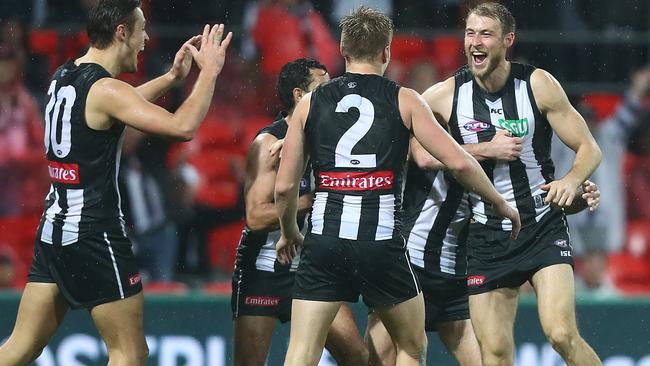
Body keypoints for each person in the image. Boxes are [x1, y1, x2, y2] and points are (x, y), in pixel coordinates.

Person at [274, 7, 520, 366]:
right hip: (381, 245)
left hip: (325, 242)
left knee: (301, 352)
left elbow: (284, 188)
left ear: (342, 51)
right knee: (411, 345)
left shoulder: (310, 103)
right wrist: (499, 201)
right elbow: (458, 161)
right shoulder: (404, 99)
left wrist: (289, 231)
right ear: (387, 53)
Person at [0, 0, 232, 364]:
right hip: (96, 234)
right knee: (130, 353)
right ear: (121, 32)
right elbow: (182, 127)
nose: (146, 40)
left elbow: (116, 107)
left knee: (20, 348)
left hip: (54, 233)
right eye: (141, 31)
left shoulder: (65, 75)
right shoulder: (107, 90)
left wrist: (171, 78)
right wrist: (211, 73)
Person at [421, 3, 603, 365]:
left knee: (562, 334)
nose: (475, 41)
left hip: (541, 224)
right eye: (470, 33)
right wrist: (484, 149)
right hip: (486, 236)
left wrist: (571, 179)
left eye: (485, 34)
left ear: (508, 40)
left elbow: (589, 148)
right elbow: (415, 148)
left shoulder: (537, 84)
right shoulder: (445, 94)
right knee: (497, 353)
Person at [231, 58, 368, 366]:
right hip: (264, 269)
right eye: (324, 86)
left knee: (357, 356)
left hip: (311, 269)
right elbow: (255, 217)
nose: (333, 94)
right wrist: (309, 199)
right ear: (298, 95)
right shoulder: (266, 143)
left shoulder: (334, 139)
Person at [553, 67, 650, 295]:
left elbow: (628, 114)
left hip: (605, 218)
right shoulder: (561, 142)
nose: (587, 126)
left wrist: (637, 88)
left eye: (590, 120)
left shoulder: (608, 138)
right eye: (582, 121)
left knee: (602, 283)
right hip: (572, 221)